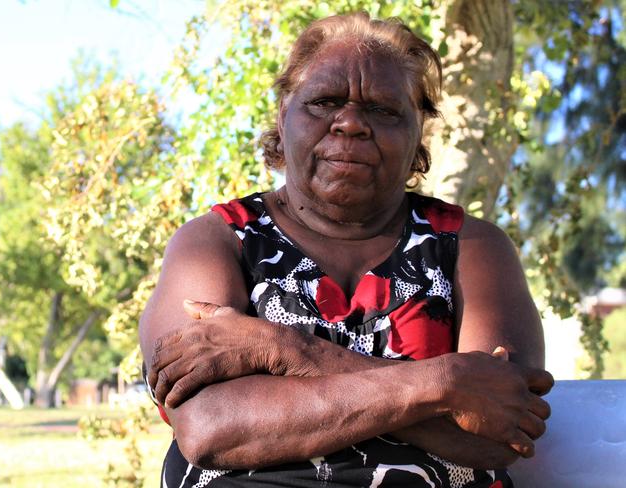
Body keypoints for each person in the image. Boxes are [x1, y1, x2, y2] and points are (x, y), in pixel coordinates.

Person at [140, 12, 554, 488]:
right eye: (325, 102)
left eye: (382, 110)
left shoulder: (472, 247)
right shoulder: (217, 240)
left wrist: (281, 348)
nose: (352, 123)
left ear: (418, 130)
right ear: (283, 115)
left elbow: (499, 432)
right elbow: (211, 426)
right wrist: (446, 385)